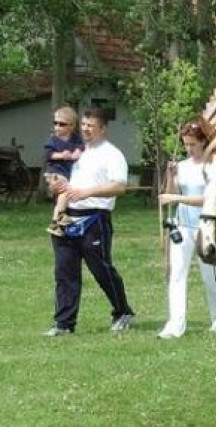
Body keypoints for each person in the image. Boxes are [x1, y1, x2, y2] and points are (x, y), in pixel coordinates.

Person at [43, 107, 135, 336]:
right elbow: (62, 178)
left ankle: (123, 312)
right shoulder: (75, 151)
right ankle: (64, 324)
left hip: (95, 219)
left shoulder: (112, 154)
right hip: (66, 216)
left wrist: (87, 192)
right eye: (83, 124)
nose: (85, 129)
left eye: (91, 125)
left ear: (103, 128)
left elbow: (119, 186)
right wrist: (56, 185)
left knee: (101, 269)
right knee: (65, 271)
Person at [156, 121, 216, 339]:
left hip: (205, 227)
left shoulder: (210, 168)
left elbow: (209, 199)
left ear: (203, 142)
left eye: (192, 144)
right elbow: (169, 194)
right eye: (185, 144)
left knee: (208, 275)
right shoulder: (181, 166)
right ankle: (175, 324)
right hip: (182, 225)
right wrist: (171, 176)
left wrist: (178, 197)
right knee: (176, 275)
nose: (189, 149)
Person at [44, 106, 85, 236]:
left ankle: (57, 219)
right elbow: (48, 155)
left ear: (71, 126)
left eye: (61, 124)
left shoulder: (75, 138)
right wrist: (62, 155)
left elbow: (80, 148)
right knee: (65, 190)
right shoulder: (53, 140)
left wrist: (77, 153)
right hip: (54, 172)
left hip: (66, 173)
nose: (57, 127)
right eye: (55, 123)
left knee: (64, 194)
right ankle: (58, 217)